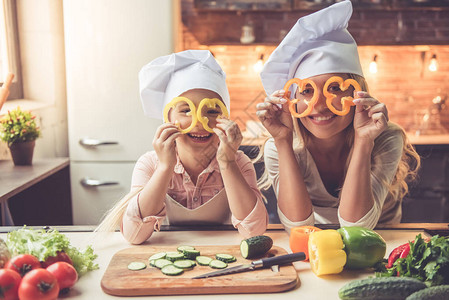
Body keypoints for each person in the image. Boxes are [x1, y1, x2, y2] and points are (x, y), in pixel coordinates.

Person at [255, 0, 419, 232]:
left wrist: (364, 141)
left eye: (335, 88)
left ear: (356, 92)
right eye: (307, 91)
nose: (320, 106)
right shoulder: (281, 145)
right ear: (292, 100)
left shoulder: (385, 136)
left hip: (383, 240)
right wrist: (282, 142)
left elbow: (358, 226)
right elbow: (298, 228)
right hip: (316, 241)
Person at [97, 50, 268, 244]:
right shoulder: (150, 164)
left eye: (212, 111)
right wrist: (164, 167)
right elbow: (133, 235)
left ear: (225, 119)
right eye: (186, 110)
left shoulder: (239, 162)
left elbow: (255, 233)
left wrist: (227, 163)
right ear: (168, 118)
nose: (200, 122)